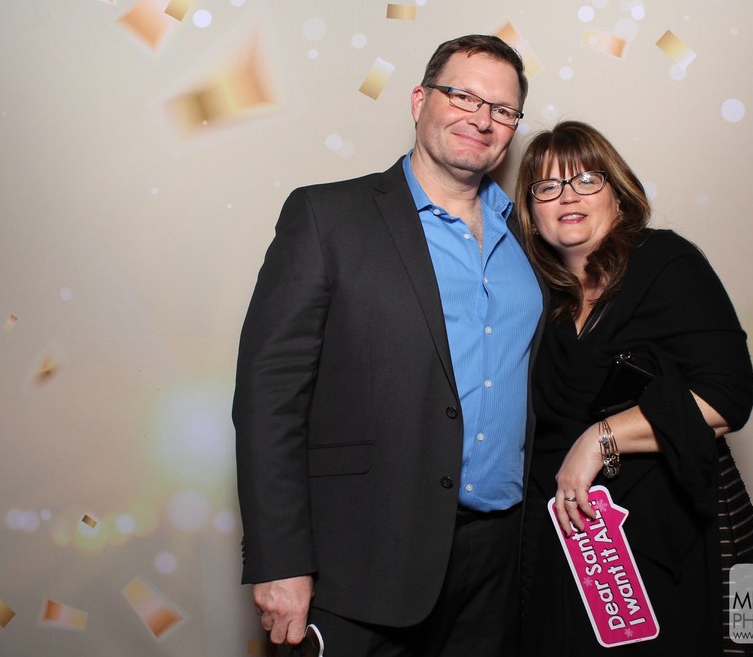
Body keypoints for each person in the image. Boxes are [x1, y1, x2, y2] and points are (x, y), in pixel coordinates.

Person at [233, 34, 544, 656]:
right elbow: (269, 398)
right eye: (463, 96)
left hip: (497, 562)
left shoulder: (530, 236)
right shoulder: (327, 217)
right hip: (361, 560)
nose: (481, 119)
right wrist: (280, 558)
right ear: (419, 101)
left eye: (502, 109)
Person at [515, 121, 753, 655]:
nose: (567, 196)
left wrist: (599, 440)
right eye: (547, 186)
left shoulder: (665, 263)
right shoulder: (534, 296)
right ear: (532, 211)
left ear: (617, 194)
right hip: (562, 542)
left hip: (664, 537)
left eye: (586, 179)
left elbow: (727, 396)